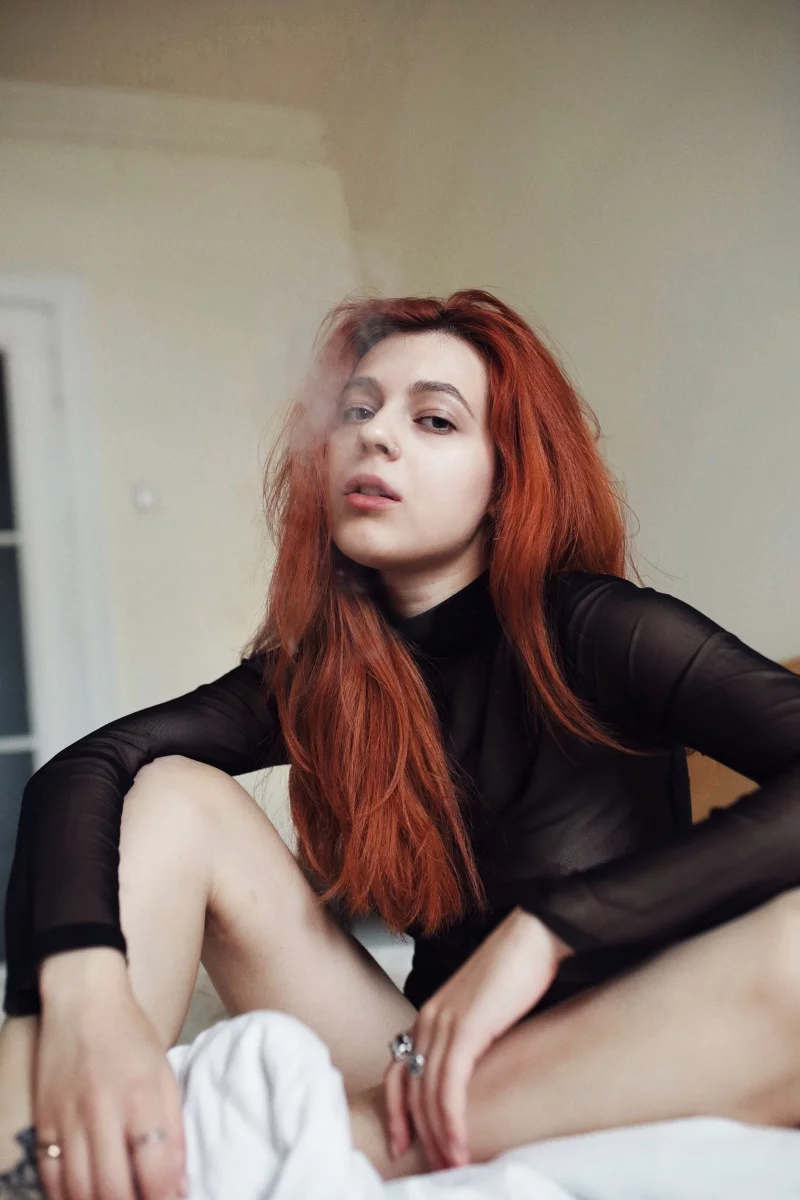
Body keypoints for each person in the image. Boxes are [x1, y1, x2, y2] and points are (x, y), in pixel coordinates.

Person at [1, 287, 799, 1200]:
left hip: (631, 1053)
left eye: (434, 420)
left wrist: (550, 931)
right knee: (173, 795)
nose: (376, 436)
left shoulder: (601, 628)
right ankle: (31, 1149)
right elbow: (86, 768)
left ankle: (360, 1142)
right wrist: (88, 999)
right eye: (356, 410)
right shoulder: (326, 674)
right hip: (422, 1060)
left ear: (507, 480)